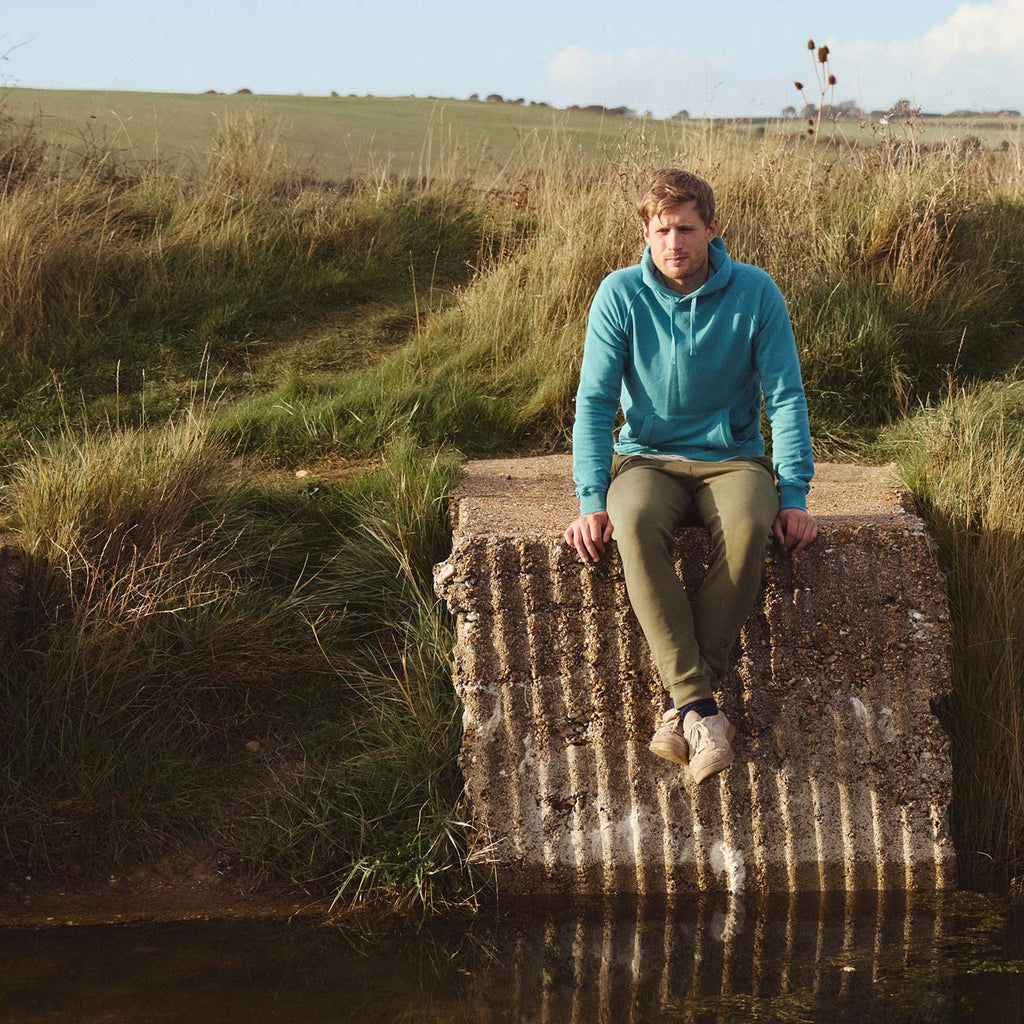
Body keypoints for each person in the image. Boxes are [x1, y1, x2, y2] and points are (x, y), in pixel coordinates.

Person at [563, 168, 818, 785]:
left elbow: (785, 396)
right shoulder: (619, 294)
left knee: (749, 521)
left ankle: (685, 709)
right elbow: (595, 402)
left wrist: (794, 493)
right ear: (644, 234)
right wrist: (592, 496)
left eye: (685, 228)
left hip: (732, 458)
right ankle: (704, 710)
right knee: (632, 522)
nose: (672, 243)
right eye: (660, 231)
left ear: (712, 229)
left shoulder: (755, 293)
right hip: (647, 457)